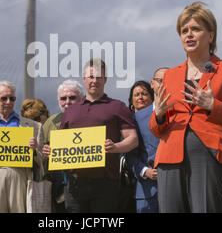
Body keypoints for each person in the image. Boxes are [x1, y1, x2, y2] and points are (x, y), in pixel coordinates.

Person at [149, 2, 222, 213]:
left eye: (196, 29)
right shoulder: (170, 75)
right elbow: (156, 130)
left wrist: (213, 105)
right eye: (184, 31)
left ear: (211, 36)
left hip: (210, 155)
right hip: (169, 156)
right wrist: (158, 115)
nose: (189, 35)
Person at [43, 58, 139, 213]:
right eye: (91, 77)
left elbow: (133, 139)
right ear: (84, 79)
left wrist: (116, 147)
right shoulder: (70, 111)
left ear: (105, 79)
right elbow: (62, 144)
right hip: (74, 184)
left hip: (106, 183)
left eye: (99, 77)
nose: (94, 81)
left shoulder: (117, 107)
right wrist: (51, 151)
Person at [0, 81, 44, 213]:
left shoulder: (33, 127)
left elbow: (42, 164)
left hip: (22, 181)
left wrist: (34, 151)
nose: (8, 101)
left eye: (12, 98)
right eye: (4, 98)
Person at [41, 79, 84, 212]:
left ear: (82, 99)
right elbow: (41, 151)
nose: (67, 102)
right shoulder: (50, 122)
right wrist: (44, 151)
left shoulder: (91, 120)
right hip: (59, 186)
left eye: (72, 97)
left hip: (86, 184)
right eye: (63, 98)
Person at [125, 80, 160, 213]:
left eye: (144, 94)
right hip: (146, 189)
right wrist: (145, 171)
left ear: (152, 97)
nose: (140, 97)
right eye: (136, 95)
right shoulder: (128, 123)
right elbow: (129, 156)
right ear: (131, 100)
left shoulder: (165, 117)